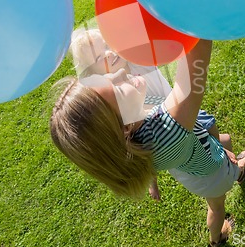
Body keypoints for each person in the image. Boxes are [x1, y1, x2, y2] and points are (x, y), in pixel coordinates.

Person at [50, 38, 245, 247]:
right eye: (116, 87)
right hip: (213, 176)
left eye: (106, 75)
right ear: (124, 127)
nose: (119, 73)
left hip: (194, 168)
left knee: (224, 144)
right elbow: (198, 47)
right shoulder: (166, 130)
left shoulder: (133, 143)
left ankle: (230, 165)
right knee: (217, 207)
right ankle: (217, 237)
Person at [69, 27, 229, 201]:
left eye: (108, 44)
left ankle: (222, 155)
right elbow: (197, 58)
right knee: (210, 146)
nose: (109, 53)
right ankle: (224, 163)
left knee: (212, 130)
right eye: (99, 57)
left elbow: (134, 25)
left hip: (181, 118)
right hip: (176, 122)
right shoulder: (130, 116)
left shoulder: (133, 61)